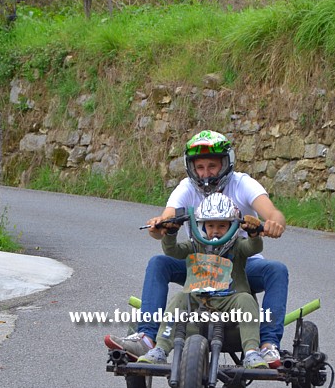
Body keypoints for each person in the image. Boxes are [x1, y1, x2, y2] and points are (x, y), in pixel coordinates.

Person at [105, 129, 288, 367]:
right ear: (191, 167)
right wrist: (160, 226)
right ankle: (147, 337)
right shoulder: (187, 188)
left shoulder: (242, 183)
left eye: (212, 166)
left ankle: (267, 345)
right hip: (199, 264)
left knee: (277, 270)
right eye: (199, 167)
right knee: (158, 263)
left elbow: (273, 213)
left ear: (226, 163)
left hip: (241, 263)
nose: (205, 173)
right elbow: (166, 217)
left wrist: (274, 224)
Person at [139, 193, 271, 369]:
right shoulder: (195, 245)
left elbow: (253, 247)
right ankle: (160, 349)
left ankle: (252, 352)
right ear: (202, 225)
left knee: (246, 299)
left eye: (222, 225)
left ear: (232, 226)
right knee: (179, 298)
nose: (215, 230)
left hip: (229, 299)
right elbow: (173, 252)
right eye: (210, 225)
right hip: (198, 299)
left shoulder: (238, 244)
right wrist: (171, 233)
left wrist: (254, 234)